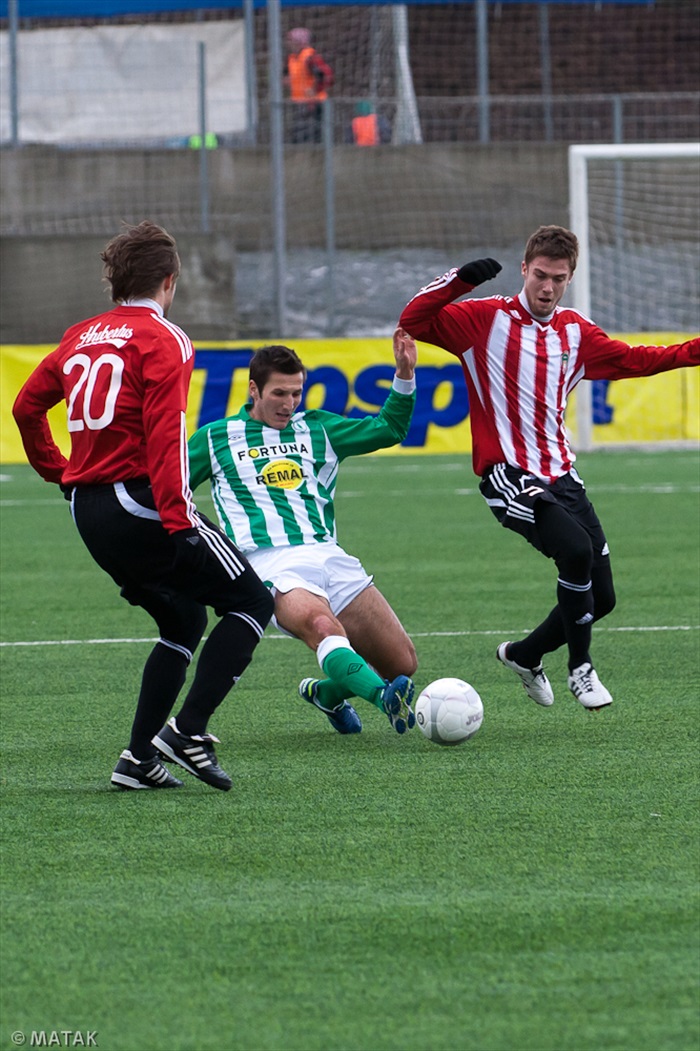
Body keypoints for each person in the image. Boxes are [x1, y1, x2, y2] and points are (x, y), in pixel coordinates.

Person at [12, 220, 274, 792]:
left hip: (87, 510)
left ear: (115, 282)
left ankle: (136, 760)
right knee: (253, 601)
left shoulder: (78, 336)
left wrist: (62, 474)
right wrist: (180, 522)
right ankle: (187, 733)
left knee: (182, 619)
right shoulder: (165, 338)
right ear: (169, 282)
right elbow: (165, 438)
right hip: (139, 501)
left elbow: (25, 410)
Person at [399, 224, 700, 711]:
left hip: (562, 476)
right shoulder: (483, 320)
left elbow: (640, 360)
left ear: (570, 278)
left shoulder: (576, 332)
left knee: (602, 599)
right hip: (508, 474)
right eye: (540, 275)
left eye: (559, 279)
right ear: (524, 269)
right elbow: (413, 320)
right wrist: (460, 280)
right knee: (575, 551)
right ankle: (581, 669)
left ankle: (524, 654)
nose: (547, 287)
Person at [187, 328, 419, 735]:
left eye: (296, 393)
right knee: (322, 628)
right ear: (254, 390)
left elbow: (389, 429)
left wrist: (404, 373)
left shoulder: (318, 429)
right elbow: (170, 487)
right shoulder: (215, 438)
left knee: (402, 663)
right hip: (268, 562)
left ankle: (325, 695)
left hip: (328, 554)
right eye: (279, 393)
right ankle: (384, 698)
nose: (290, 403)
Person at [285, 26, 334, 144]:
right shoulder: (292, 58)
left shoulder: (310, 58)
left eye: (290, 40)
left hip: (313, 104)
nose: (288, 43)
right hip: (299, 102)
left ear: (299, 42)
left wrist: (315, 89)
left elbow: (325, 75)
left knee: (310, 136)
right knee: (299, 136)